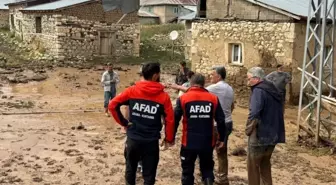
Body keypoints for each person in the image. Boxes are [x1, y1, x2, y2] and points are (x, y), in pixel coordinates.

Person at [109, 62, 175, 185]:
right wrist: (169, 138)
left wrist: (124, 123)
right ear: (155, 76)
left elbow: (112, 105)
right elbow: (170, 120)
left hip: (133, 139)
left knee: (130, 169)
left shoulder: (132, 91)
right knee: (149, 175)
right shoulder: (164, 97)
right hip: (151, 142)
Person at [174, 73, 227, 185]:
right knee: (207, 169)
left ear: (191, 84)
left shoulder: (183, 98)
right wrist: (222, 138)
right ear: (203, 84)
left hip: (188, 142)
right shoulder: (213, 99)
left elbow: (175, 119)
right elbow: (221, 120)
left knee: (187, 171)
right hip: (207, 142)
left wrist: (170, 137)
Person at [245, 67, 285, 185]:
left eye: (249, 79)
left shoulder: (258, 91)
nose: (248, 81)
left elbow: (254, 112)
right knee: (265, 164)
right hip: (273, 134)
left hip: (260, 134)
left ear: (257, 79)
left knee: (252, 166)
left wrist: (248, 128)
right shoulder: (274, 89)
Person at [206, 66, 234, 185]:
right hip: (228, 122)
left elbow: (196, 91)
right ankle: (223, 178)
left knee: (207, 150)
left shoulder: (215, 88)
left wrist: (177, 87)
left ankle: (208, 175)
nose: (210, 77)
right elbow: (232, 106)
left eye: (212, 75)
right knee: (222, 151)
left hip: (217, 124)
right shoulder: (230, 88)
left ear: (219, 76)